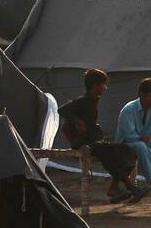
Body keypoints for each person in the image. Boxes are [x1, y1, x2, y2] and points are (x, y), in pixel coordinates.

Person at [58, 68, 139, 203]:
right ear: (95, 85)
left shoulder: (93, 102)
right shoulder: (83, 101)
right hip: (83, 143)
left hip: (93, 141)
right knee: (105, 150)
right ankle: (130, 186)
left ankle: (114, 189)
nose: (105, 88)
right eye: (103, 85)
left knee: (127, 150)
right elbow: (62, 110)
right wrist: (78, 122)